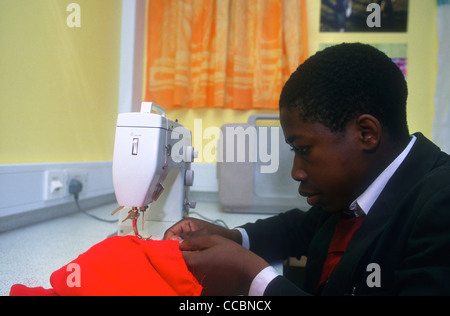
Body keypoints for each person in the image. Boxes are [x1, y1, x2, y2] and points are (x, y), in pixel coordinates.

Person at [164, 43, 450, 296]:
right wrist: (235, 237)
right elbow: (299, 229)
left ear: (366, 133)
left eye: (303, 149)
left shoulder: (440, 205)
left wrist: (255, 281)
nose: (296, 172)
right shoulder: (355, 190)